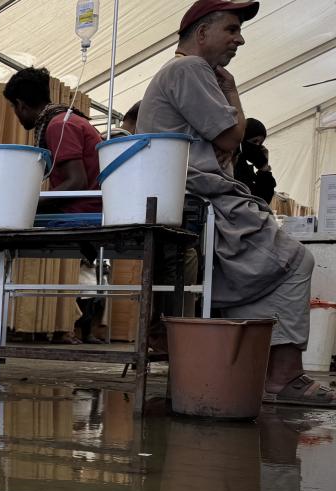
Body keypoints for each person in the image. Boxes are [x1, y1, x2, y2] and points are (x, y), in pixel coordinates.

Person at [139, 0, 331, 407]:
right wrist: (231, 89)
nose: (239, 39)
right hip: (200, 197)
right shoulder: (189, 69)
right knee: (297, 260)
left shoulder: (180, 71)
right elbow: (230, 136)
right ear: (201, 32)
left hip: (193, 195)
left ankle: (260, 371)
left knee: (270, 267)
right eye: (231, 29)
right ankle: (283, 377)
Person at [4, 66, 104, 215]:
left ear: (21, 105)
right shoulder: (66, 118)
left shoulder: (59, 125)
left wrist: (29, 203)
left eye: (13, 107)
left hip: (80, 215)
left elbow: (77, 182)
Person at [234, 118, 277, 204]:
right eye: (254, 141)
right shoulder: (231, 163)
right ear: (243, 138)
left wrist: (264, 168)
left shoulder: (245, 167)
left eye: (260, 143)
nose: (257, 146)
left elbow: (263, 200)